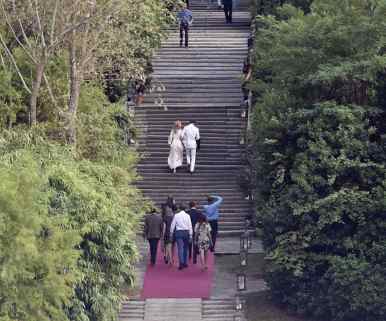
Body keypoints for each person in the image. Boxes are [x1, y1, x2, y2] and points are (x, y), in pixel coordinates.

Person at [170, 204, 193, 270]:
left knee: (180, 248)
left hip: (179, 232)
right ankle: (185, 262)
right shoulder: (187, 216)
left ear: (179, 209)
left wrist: (171, 233)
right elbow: (190, 225)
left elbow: (172, 225)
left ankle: (181, 263)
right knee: (186, 248)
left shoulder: (176, 215)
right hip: (186, 232)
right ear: (185, 209)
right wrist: (191, 235)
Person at [162, 196, 177, 265]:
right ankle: (170, 258)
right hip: (172, 231)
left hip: (167, 232)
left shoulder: (165, 216)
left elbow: (164, 227)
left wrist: (162, 234)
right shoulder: (174, 217)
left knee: (167, 245)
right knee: (171, 245)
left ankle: (167, 256)